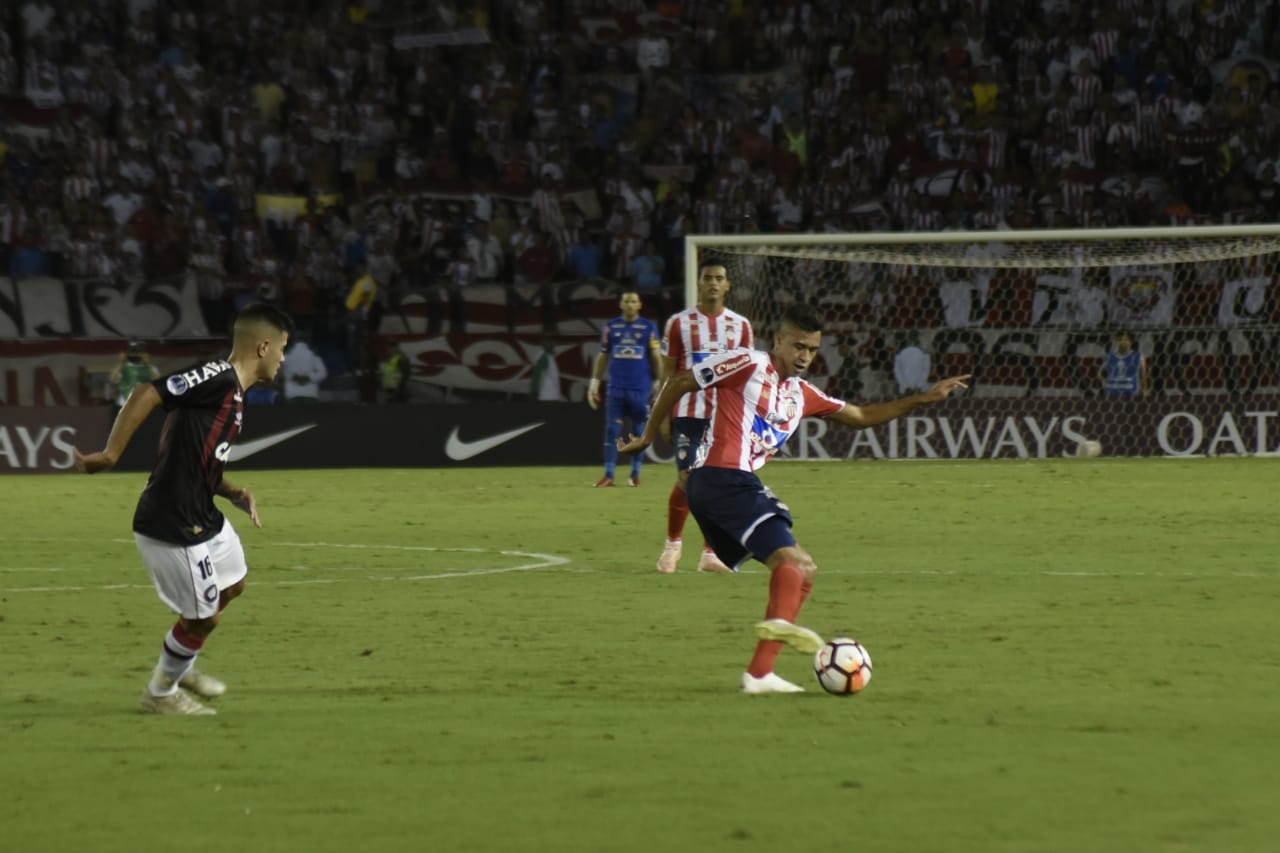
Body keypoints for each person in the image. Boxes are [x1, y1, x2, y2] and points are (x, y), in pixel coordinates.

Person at [619, 304, 969, 693]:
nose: (805, 356)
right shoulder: (748, 364)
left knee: (804, 568)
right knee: (791, 564)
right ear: (779, 341)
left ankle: (759, 673)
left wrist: (924, 398)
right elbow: (683, 380)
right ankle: (778, 627)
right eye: (798, 346)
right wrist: (650, 435)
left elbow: (861, 416)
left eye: (813, 350)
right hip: (721, 478)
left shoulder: (801, 394)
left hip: (728, 486)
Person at [73, 303, 294, 715]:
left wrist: (231, 491)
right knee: (204, 618)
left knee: (233, 586)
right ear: (263, 346)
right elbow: (148, 392)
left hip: (203, 511)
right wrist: (110, 453)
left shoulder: (237, 395)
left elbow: (199, 457)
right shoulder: (218, 378)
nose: (283, 358)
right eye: (282, 348)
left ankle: (182, 661)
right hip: (173, 520)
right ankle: (160, 693)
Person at [656, 263, 753, 574]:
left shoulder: (741, 326)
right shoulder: (679, 324)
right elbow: (668, 371)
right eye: (708, 278)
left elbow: (747, 373)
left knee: (716, 484)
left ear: (728, 286)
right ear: (699, 284)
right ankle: (673, 544)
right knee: (687, 479)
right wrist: (662, 414)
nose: (713, 283)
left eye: (719, 279)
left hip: (724, 416)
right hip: (688, 411)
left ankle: (711, 553)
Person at [588, 291, 662, 487]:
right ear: (621, 305)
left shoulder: (648, 327)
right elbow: (603, 355)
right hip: (616, 389)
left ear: (640, 305)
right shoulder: (611, 327)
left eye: (634, 301)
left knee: (639, 432)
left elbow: (656, 357)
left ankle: (635, 474)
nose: (630, 304)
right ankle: (609, 474)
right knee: (612, 430)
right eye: (626, 301)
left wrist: (658, 383)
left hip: (640, 389)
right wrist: (594, 382)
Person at [109, 340, 160, 418]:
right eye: (133, 351)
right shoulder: (123, 366)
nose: (136, 354)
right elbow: (112, 379)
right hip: (124, 403)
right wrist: (121, 362)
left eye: (138, 351)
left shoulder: (150, 368)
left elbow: (158, 381)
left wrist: (148, 364)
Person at [1100, 330, 1148, 398]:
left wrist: (1144, 392)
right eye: (1119, 340)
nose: (1122, 342)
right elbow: (1100, 374)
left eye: (1125, 340)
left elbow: (1143, 376)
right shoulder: (1109, 357)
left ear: (1131, 342)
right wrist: (1105, 385)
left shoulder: (1139, 356)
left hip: (1131, 393)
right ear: (1115, 342)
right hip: (1112, 394)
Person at [282, 334, 328, 402]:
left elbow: (282, 371)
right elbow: (323, 373)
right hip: (310, 393)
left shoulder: (287, 354)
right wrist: (309, 378)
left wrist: (293, 377)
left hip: (292, 393)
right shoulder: (313, 353)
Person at [893, 330, 931, 394]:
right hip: (921, 388)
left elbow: (897, 372)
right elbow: (926, 370)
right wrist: (919, 385)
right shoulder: (924, 353)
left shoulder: (900, 353)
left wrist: (906, 386)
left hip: (904, 389)